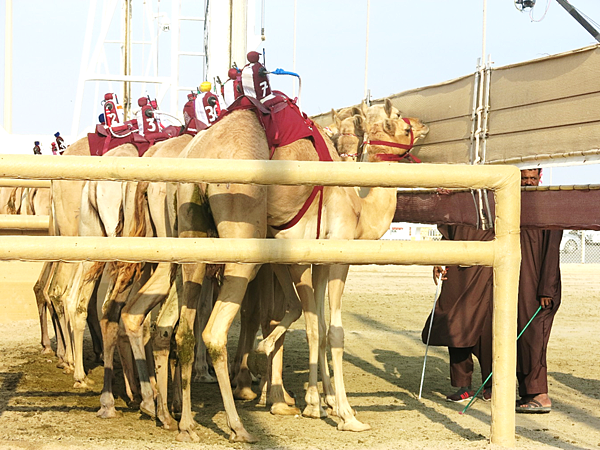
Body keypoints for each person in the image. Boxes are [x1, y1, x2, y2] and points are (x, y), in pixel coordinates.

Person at [421, 206, 494, 403]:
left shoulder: (492, 196)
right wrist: (440, 260)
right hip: (457, 269)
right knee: (455, 324)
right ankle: (464, 386)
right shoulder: (457, 199)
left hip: (485, 267)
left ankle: (491, 384)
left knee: (485, 326)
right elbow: (447, 235)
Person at [516, 168, 563, 414]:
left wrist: (546, 289)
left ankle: (541, 395)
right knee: (523, 341)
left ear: (540, 178)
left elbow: (552, 251)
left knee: (535, 341)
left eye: (532, 179)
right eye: (524, 178)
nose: (528, 183)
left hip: (541, 291)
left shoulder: (550, 205)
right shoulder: (514, 204)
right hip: (521, 286)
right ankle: (527, 393)